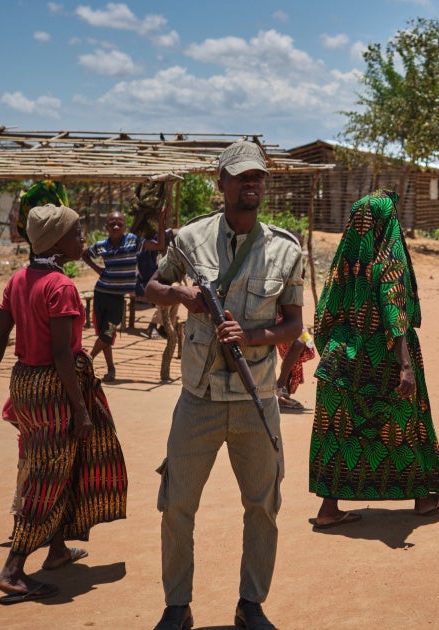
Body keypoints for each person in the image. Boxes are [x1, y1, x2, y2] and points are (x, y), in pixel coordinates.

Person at [144, 140, 304, 630]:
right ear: (222, 183)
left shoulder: (285, 249)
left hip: (256, 397)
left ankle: (250, 605)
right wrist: (182, 294)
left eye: (258, 176)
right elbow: (150, 287)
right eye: (242, 176)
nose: (252, 183)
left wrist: (251, 336)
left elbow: (294, 324)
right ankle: (177, 607)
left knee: (262, 506)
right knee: (177, 504)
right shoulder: (190, 239)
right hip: (199, 397)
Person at [0, 204, 128, 605]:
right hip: (55, 389)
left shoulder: (19, 280)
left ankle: (56, 550)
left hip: (24, 383)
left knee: (56, 465)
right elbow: (61, 354)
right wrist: (80, 409)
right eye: (76, 234)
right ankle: (13, 570)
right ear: (56, 244)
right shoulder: (61, 287)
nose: (83, 239)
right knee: (47, 474)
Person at [309, 190, 439, 530]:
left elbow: (324, 312)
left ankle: (329, 508)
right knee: (407, 427)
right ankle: (424, 498)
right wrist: (404, 365)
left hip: (339, 362)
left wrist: (335, 347)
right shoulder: (389, 258)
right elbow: (394, 310)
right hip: (385, 359)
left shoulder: (344, 260)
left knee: (339, 433)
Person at [82, 211, 140, 381]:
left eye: (119, 224)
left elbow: (154, 245)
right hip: (101, 294)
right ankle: (111, 369)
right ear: (106, 227)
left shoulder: (133, 241)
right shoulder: (101, 245)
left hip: (117, 299)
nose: (116, 227)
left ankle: (88, 359)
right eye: (112, 224)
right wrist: (97, 269)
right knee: (103, 334)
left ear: (125, 226)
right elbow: (84, 253)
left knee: (108, 333)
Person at [134, 205, 170, 340]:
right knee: (164, 295)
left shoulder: (149, 242)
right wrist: (139, 218)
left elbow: (161, 244)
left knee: (175, 292)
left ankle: (164, 326)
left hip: (150, 281)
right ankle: (154, 324)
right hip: (138, 283)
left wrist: (161, 221)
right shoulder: (134, 241)